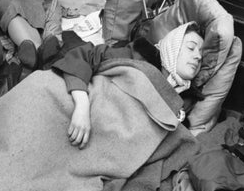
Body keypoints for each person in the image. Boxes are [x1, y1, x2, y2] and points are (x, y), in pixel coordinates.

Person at [51, 21, 204, 149]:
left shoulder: (185, 102)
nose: (198, 56)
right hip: (82, 104)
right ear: (173, 47)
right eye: (191, 48)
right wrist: (82, 105)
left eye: (201, 54)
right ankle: (52, 47)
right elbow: (85, 56)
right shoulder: (137, 55)